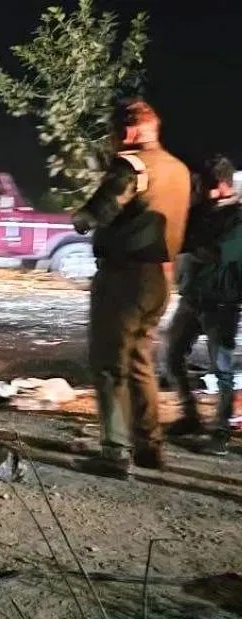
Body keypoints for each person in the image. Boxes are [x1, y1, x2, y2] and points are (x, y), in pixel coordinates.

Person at [73, 99, 190, 477]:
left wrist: (83, 216)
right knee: (140, 362)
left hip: (124, 278)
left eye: (112, 132)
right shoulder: (179, 169)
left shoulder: (132, 165)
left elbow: (97, 212)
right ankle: (149, 445)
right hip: (160, 278)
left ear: (128, 130)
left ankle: (115, 452)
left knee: (110, 365)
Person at [164, 155, 242, 456]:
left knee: (222, 368)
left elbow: (219, 253)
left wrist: (189, 243)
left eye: (205, 185)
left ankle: (221, 431)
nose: (200, 190)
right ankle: (190, 416)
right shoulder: (201, 212)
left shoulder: (236, 218)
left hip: (221, 303)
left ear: (222, 184)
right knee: (171, 357)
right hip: (192, 298)